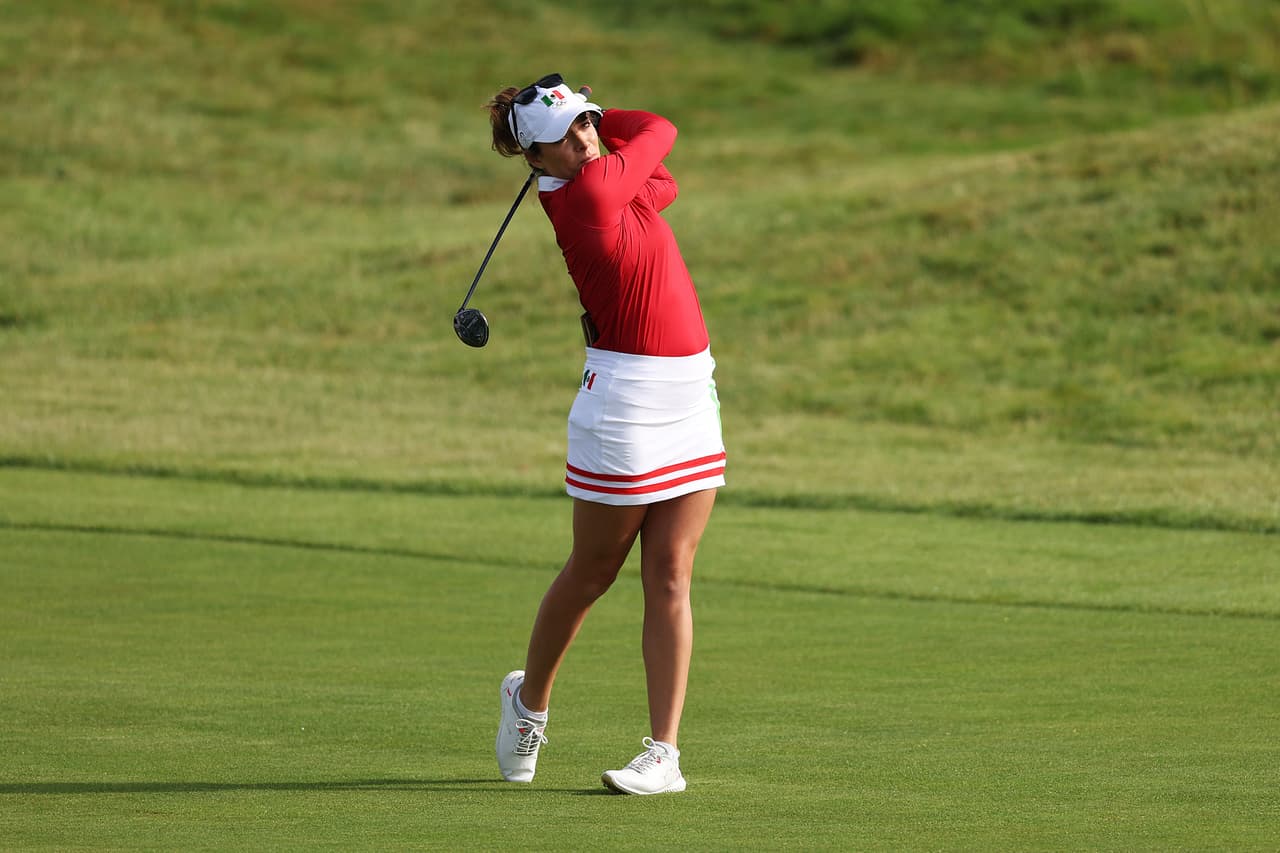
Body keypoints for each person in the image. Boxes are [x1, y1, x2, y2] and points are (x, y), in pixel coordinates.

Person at [485, 73, 725, 795]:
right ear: (537, 159)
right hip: (623, 404)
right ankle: (529, 703)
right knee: (592, 573)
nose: (588, 138)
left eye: (589, 124)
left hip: (690, 394)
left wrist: (576, 106)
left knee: (673, 576)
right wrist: (600, 106)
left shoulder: (603, 184)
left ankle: (664, 754)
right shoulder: (590, 195)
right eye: (567, 135)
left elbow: (663, 181)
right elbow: (660, 129)